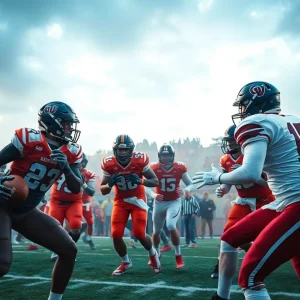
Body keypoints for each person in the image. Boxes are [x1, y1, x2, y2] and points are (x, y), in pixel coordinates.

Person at [193, 81, 300, 300]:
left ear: (252, 103)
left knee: (250, 278)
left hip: (295, 203)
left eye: (242, 106)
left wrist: (217, 177)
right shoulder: (293, 119)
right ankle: (221, 297)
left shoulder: (256, 122)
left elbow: (251, 173)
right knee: (231, 236)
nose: (241, 112)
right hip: (284, 202)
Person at [0, 101, 82, 300]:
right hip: (2, 205)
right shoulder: (29, 140)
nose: (70, 128)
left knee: (69, 249)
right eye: (66, 123)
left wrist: (67, 169)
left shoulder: (71, 152)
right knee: (2, 263)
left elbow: (76, 187)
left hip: (26, 210)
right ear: (51, 123)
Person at [210, 124, 275, 280]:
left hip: (265, 201)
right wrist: (223, 189)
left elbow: (269, 184)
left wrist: (247, 173)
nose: (230, 144)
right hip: (243, 201)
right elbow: (227, 182)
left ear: (241, 140)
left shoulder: (253, 155)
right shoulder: (225, 159)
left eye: (232, 140)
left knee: (274, 236)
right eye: (228, 141)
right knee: (228, 234)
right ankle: (220, 266)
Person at [100, 134, 161, 275]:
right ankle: (126, 262)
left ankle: (153, 255)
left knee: (139, 233)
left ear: (131, 150)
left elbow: (155, 181)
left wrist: (141, 181)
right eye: (120, 150)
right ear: (115, 150)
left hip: (137, 199)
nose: (122, 153)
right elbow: (103, 190)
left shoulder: (139, 160)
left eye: (125, 150)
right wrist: (109, 183)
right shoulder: (109, 163)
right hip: (120, 201)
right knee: (115, 234)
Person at [146, 143, 195, 269]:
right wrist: (153, 194)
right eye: (163, 155)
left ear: (172, 156)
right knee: (156, 231)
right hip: (159, 202)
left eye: (168, 155)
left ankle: (178, 255)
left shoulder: (179, 167)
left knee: (171, 225)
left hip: (174, 201)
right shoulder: (153, 167)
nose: (166, 157)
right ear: (159, 156)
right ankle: (156, 254)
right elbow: (144, 185)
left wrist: (185, 191)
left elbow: (191, 184)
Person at [80, 153, 97, 250]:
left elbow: (91, 190)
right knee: (76, 223)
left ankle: (88, 238)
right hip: (74, 202)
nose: (80, 164)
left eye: (82, 162)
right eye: (78, 162)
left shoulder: (88, 174)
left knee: (90, 222)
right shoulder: (69, 171)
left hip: (86, 203)